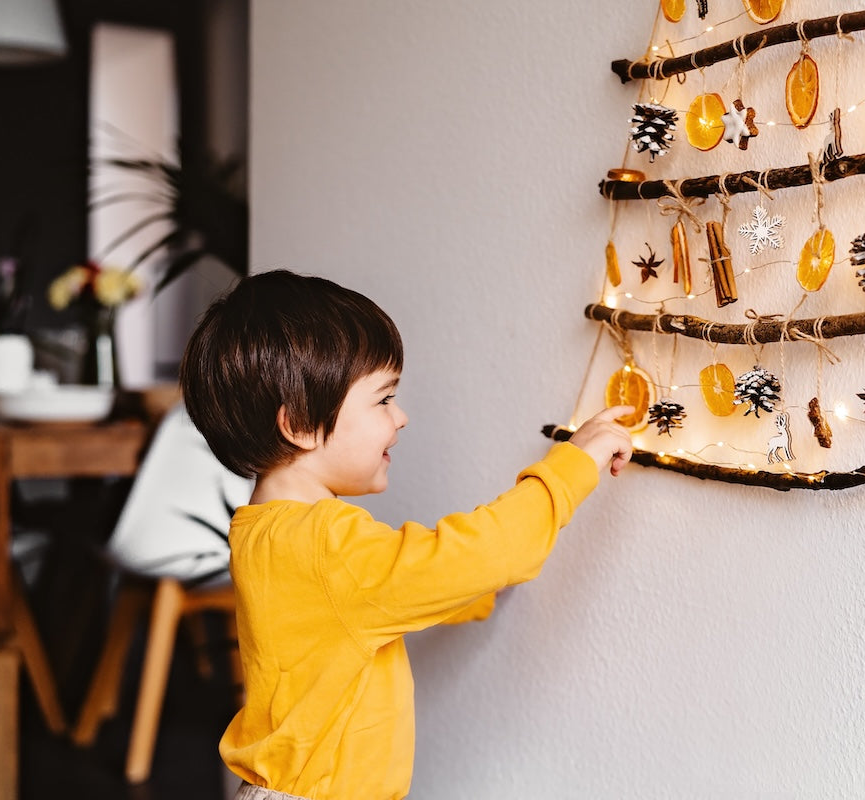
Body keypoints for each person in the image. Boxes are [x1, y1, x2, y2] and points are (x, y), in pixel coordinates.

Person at [179, 269, 632, 800]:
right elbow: (480, 555)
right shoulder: (327, 545)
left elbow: (388, 590)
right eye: (382, 399)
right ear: (299, 423)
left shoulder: (266, 532)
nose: (401, 417)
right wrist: (574, 465)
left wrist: (476, 593)